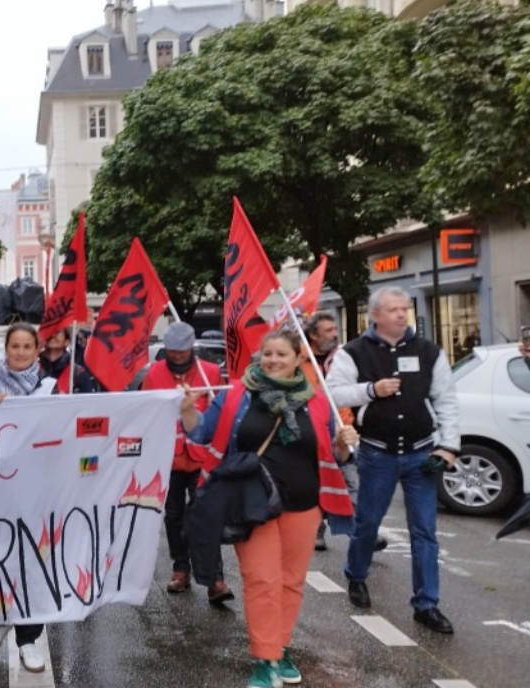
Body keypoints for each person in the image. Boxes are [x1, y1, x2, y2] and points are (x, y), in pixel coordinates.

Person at [182, 328, 358, 688]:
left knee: (291, 583)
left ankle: (281, 646)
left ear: (298, 359)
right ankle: (266, 659)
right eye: (268, 354)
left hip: (305, 505)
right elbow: (199, 434)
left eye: (281, 354)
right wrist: (187, 411)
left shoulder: (318, 402)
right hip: (252, 504)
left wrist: (343, 444)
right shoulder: (235, 396)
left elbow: (333, 456)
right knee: (262, 580)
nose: (273, 360)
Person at [327, 286, 460, 634]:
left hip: (421, 452)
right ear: (375, 316)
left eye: (404, 308)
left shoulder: (428, 351)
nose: (401, 314)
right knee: (368, 523)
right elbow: (333, 391)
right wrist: (370, 390)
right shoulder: (353, 352)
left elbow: (447, 401)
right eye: (393, 309)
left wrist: (449, 446)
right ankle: (356, 575)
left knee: (424, 531)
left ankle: (427, 604)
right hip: (376, 452)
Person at [0, 323, 59, 673]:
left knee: (33, 564)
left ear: (37, 350)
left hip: (38, 491)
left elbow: (60, 432)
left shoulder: (51, 388)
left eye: (28, 346)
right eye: (15, 346)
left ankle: (27, 639)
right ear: (5, 349)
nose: (21, 352)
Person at [141, 322, 232, 603]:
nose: (178, 356)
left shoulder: (210, 373)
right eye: (173, 351)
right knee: (175, 517)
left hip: (202, 459)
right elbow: (146, 413)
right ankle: (181, 568)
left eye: (183, 351)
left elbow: (220, 414)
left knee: (207, 518)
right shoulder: (154, 374)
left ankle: (215, 579)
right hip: (168, 459)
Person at [302, 311, 389, 554]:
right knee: (317, 484)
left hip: (343, 430)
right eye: (328, 330)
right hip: (311, 432)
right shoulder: (298, 361)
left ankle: (365, 535)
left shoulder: (344, 358)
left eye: (334, 329)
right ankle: (317, 531)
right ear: (313, 335)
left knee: (352, 483)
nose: (334, 334)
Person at [40, 328, 99, 393]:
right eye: (49, 332)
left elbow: (87, 401)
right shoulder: (32, 368)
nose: (53, 335)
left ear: (67, 341)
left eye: (57, 332)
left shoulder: (78, 373)